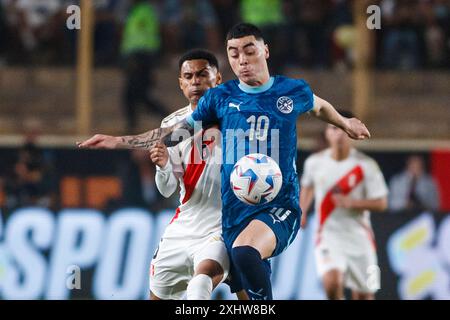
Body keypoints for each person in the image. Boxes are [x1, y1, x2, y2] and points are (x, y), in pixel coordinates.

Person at [78, 23, 371, 300]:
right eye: (234, 54)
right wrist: (119, 140)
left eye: (249, 51)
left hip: (279, 205)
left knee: (241, 255)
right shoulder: (220, 99)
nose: (241, 60)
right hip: (234, 213)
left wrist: (345, 122)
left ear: (265, 50)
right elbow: (174, 133)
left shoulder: (291, 91)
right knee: (239, 278)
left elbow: (319, 106)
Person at [147, 49, 248, 300]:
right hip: (183, 225)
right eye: (189, 76)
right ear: (181, 83)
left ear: (218, 79)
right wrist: (163, 167)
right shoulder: (172, 125)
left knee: (200, 284)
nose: (196, 82)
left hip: (222, 226)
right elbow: (167, 189)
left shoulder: (239, 119)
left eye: (203, 74)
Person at [299, 110, 388, 300]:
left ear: (350, 133)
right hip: (328, 236)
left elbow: (381, 203)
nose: (337, 133)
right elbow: (307, 187)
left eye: (341, 129)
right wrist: (303, 211)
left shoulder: (366, 165)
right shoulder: (315, 163)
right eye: (333, 128)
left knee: (365, 295)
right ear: (327, 134)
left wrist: (353, 202)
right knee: (332, 284)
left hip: (361, 239)